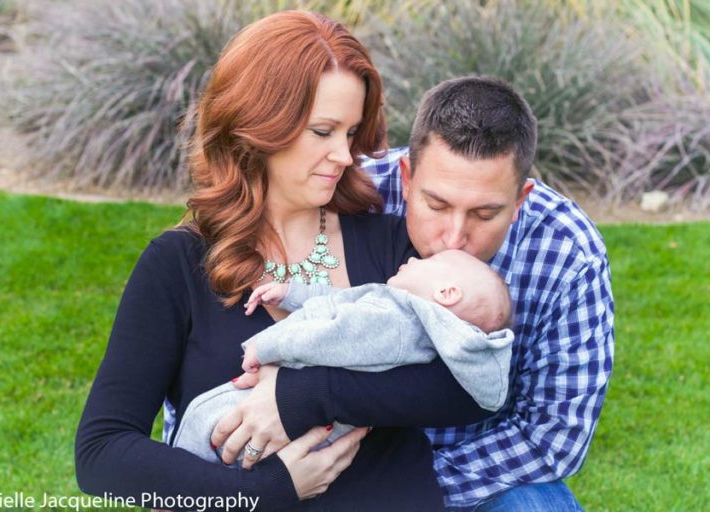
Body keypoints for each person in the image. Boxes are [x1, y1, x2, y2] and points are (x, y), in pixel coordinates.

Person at [75, 11, 490, 512]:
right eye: (323, 131)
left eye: (351, 132)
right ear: (259, 125)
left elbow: (467, 386)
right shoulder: (178, 265)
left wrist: (307, 392)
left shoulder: (389, 246)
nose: (345, 154)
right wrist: (266, 491)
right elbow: (102, 452)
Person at [213, 77, 614, 511]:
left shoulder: (570, 254)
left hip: (469, 482)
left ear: (521, 200)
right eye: (436, 205)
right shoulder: (350, 197)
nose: (454, 238)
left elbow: (552, 439)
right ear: (406, 177)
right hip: (327, 471)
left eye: (485, 213)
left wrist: (405, 490)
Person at [172, 249, 515, 465]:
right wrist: (293, 293)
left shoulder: (397, 325)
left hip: (284, 410)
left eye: (430, 262)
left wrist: (265, 346)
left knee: (202, 430)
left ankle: (180, 494)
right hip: (291, 412)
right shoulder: (401, 313)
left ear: (447, 292)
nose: (414, 258)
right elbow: (344, 300)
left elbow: (328, 336)